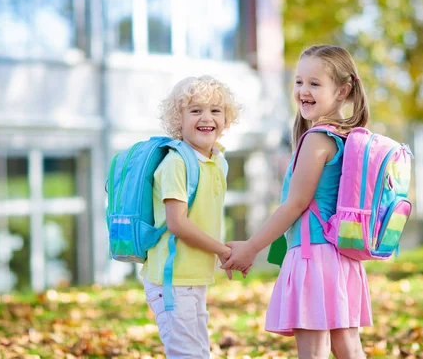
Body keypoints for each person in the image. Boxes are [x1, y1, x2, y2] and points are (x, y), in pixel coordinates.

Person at [222, 45, 372, 359]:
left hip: (313, 256)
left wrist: (251, 246)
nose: (303, 91)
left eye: (315, 84)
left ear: (342, 90)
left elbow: (295, 204)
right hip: (340, 256)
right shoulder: (346, 136)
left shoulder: (318, 138)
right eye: (299, 81)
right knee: (348, 347)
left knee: (314, 352)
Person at [141, 75, 240, 358]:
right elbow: (178, 223)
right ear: (178, 119)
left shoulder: (217, 160)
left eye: (215, 110)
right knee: (187, 354)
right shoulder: (176, 163)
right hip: (171, 280)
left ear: (226, 119)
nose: (206, 117)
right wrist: (222, 251)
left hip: (194, 276)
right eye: (195, 110)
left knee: (198, 352)